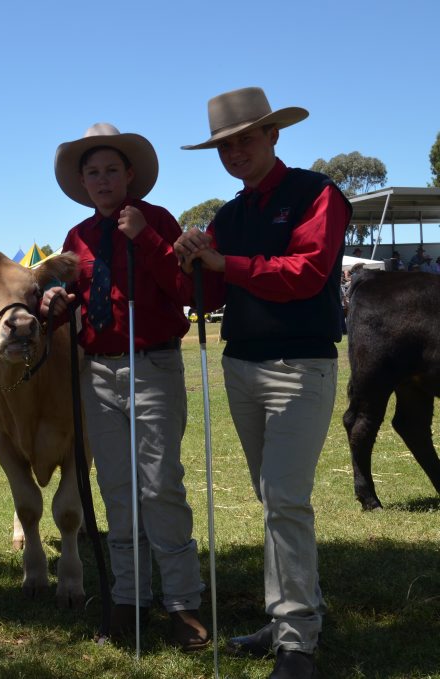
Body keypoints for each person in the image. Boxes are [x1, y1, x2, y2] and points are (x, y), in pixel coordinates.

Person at [175, 87, 352, 679]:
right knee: (272, 499)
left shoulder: (317, 193)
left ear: (274, 135)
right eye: (224, 145)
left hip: (301, 366)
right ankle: (287, 620)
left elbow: (306, 273)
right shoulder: (228, 215)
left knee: (284, 502)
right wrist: (191, 258)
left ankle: (297, 638)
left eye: (244, 139)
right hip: (241, 366)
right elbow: (211, 295)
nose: (234, 152)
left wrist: (227, 263)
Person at [39, 123, 209, 651]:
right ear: (83, 181)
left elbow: (186, 289)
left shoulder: (156, 221)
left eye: (112, 169)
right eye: (94, 172)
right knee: (116, 488)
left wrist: (148, 239)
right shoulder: (78, 238)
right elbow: (70, 299)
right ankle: (128, 599)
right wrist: (55, 307)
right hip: (99, 372)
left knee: (160, 484)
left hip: (152, 364)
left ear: (130, 175)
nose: (103, 179)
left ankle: (183, 603)